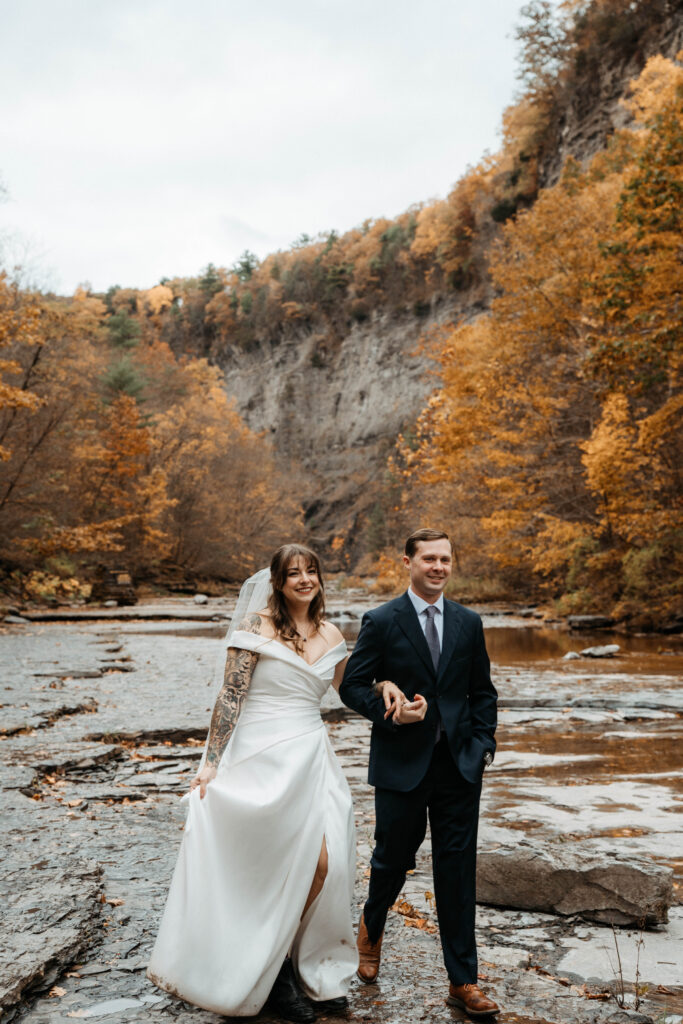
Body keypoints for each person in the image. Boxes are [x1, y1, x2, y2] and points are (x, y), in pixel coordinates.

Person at [147, 544, 358, 1023]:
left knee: (326, 863)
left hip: (310, 754)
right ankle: (276, 974)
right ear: (278, 582)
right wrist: (211, 762)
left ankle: (306, 964)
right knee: (268, 865)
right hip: (258, 755)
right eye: (293, 573)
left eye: (311, 571)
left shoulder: (330, 633)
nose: (304, 579)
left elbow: (350, 691)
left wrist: (389, 693)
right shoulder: (255, 628)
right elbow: (230, 696)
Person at [339, 528, 500, 1019]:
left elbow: (483, 692)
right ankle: (372, 925)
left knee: (457, 872)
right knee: (392, 859)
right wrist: (387, 709)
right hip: (400, 765)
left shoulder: (469, 623)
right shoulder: (382, 620)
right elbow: (352, 687)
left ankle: (463, 980)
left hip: (459, 766)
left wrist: (484, 744)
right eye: (428, 558)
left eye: (445, 559)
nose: (438, 567)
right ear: (406, 561)